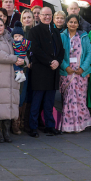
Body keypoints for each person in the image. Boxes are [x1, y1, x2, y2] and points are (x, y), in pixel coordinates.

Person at [27, 7, 65, 137]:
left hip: (53, 71)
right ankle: (32, 127)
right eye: (44, 15)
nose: (47, 17)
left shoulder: (55, 31)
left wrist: (58, 61)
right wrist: (50, 62)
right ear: (40, 16)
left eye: (49, 15)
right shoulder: (34, 31)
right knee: (36, 101)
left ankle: (50, 126)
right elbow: (36, 50)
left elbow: (61, 50)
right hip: (40, 71)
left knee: (50, 102)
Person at [58, 15, 91, 133]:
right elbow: (58, 54)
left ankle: (80, 124)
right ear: (67, 23)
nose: (73, 24)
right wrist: (65, 67)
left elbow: (89, 53)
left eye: (75, 22)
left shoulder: (84, 36)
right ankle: (68, 125)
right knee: (68, 99)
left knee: (80, 100)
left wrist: (83, 68)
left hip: (80, 73)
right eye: (70, 22)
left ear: (78, 24)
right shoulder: (62, 36)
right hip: (66, 72)